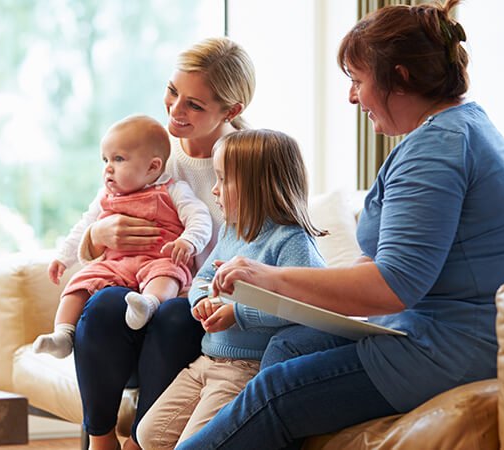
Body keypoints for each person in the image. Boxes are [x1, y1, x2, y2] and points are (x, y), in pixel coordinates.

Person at [176, 1, 504, 449]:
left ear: (401, 77)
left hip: (451, 349)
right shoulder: (454, 130)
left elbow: (392, 285)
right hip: (427, 331)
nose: (352, 97)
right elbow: (386, 268)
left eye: (357, 80)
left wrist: (269, 279)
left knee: (274, 393)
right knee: (289, 347)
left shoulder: (438, 149)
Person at [73, 37, 255, 450]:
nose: (175, 110)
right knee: (102, 306)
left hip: (197, 303)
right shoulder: (153, 150)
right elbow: (95, 216)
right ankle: (101, 440)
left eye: (194, 104)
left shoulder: (251, 159)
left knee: (174, 317)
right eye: (173, 92)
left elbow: (267, 242)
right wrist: (95, 237)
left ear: (232, 111)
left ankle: (143, 440)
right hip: (138, 289)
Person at [136, 129, 327, 450]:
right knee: (149, 435)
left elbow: (302, 306)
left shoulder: (292, 242)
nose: (213, 190)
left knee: (194, 445)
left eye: (223, 180)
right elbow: (202, 279)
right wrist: (202, 302)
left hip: (245, 372)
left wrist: (236, 313)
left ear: (259, 186)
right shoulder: (231, 231)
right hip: (207, 361)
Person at [33, 115, 212, 358]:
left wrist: (189, 241)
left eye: (118, 159)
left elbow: (200, 217)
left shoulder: (173, 189)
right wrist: (63, 258)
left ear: (153, 167)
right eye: (105, 159)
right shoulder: (105, 196)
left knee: (169, 275)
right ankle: (63, 334)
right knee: (82, 282)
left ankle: (148, 304)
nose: (108, 167)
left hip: (157, 258)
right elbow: (84, 225)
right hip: (116, 264)